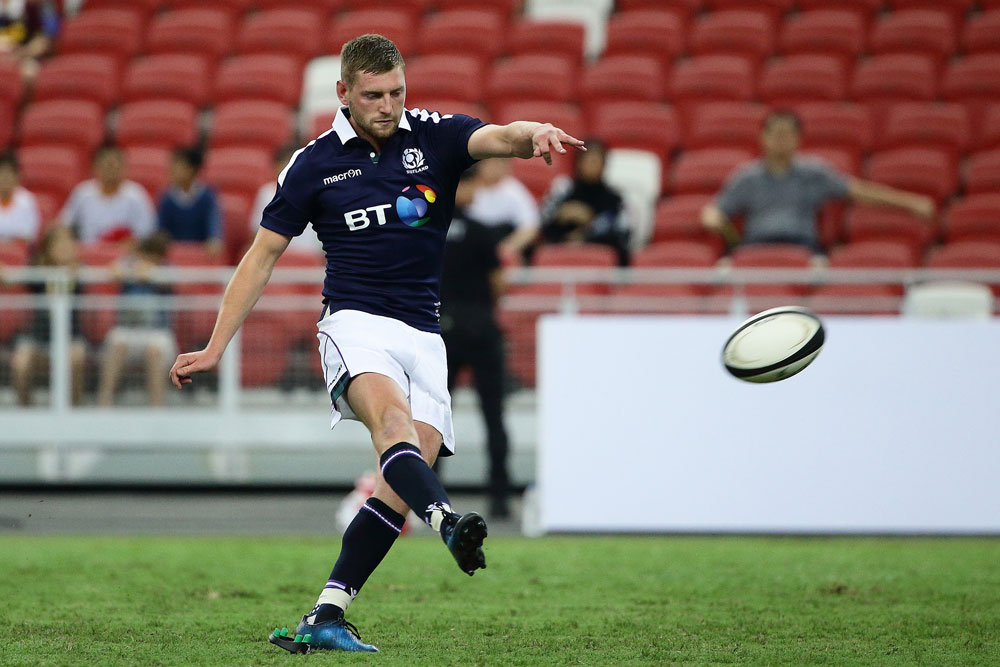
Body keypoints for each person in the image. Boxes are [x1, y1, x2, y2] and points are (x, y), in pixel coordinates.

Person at [168, 34, 584, 654]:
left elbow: (500, 135)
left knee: (400, 480)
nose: (388, 106)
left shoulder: (433, 135)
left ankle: (327, 613)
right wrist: (215, 345)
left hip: (425, 333)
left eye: (396, 92)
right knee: (394, 426)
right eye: (374, 95)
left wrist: (536, 133)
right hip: (354, 324)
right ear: (344, 93)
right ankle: (446, 521)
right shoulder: (312, 165)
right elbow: (260, 259)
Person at [701, 109, 936, 252]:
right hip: (756, 250)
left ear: (798, 138)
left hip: (803, 248)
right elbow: (716, 210)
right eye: (775, 134)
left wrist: (911, 203)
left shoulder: (814, 173)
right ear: (763, 137)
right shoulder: (747, 177)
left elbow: (859, 191)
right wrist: (713, 218)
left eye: (787, 134)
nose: (781, 140)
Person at [440, 165, 512, 518]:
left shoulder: (429, 230)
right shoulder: (483, 233)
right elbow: (498, 284)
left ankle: (430, 499)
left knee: (435, 416)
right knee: (494, 415)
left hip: (440, 332)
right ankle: (499, 495)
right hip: (481, 329)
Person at [11, 225, 86, 406]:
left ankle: (73, 410)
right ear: (49, 248)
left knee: (76, 357)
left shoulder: (81, 273)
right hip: (38, 337)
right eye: (58, 243)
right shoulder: (38, 273)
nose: (64, 247)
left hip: (71, 337)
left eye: (68, 242)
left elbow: (82, 285)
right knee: (21, 362)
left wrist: (70, 272)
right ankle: (25, 410)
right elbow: (19, 277)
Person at [97, 232, 174, 407]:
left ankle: (157, 409)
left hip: (158, 333)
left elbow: (167, 281)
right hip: (127, 330)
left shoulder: (167, 268)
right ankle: (104, 405)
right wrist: (131, 270)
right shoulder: (130, 265)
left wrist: (150, 274)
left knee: (154, 352)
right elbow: (112, 272)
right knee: (117, 345)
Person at [540, 140, 631, 265]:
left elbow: (623, 232)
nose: (592, 165)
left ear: (604, 164)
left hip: (599, 255)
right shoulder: (563, 189)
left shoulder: (614, 198)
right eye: (588, 160)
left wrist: (589, 223)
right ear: (578, 162)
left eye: (596, 161)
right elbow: (543, 222)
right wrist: (560, 214)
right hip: (562, 249)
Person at [60, 144, 157, 245]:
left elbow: (147, 234)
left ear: (124, 167)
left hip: (126, 257)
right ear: (95, 167)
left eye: (115, 164)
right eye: (107, 164)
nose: (111, 169)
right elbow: (64, 226)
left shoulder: (137, 195)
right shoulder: (82, 193)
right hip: (87, 254)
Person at [248, 144, 324, 256]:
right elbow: (256, 232)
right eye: (285, 163)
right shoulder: (267, 193)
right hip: (276, 256)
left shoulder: (317, 192)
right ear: (276, 166)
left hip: (309, 257)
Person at [465, 157, 540, 262]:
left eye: (500, 162)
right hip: (472, 246)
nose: (495, 167)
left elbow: (530, 227)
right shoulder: (468, 188)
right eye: (490, 162)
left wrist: (507, 248)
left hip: (502, 243)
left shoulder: (514, 191)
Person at [157, 146, 222, 257]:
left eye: (178, 165)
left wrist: (214, 240)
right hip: (172, 256)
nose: (172, 170)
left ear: (191, 169)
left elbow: (214, 225)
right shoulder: (166, 198)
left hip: (201, 255)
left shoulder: (207, 196)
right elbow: (161, 231)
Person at [0, 151, 40, 244]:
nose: (5, 178)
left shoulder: (27, 200)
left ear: (18, 177)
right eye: (2, 173)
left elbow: (29, 235)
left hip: (18, 251)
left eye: (9, 174)